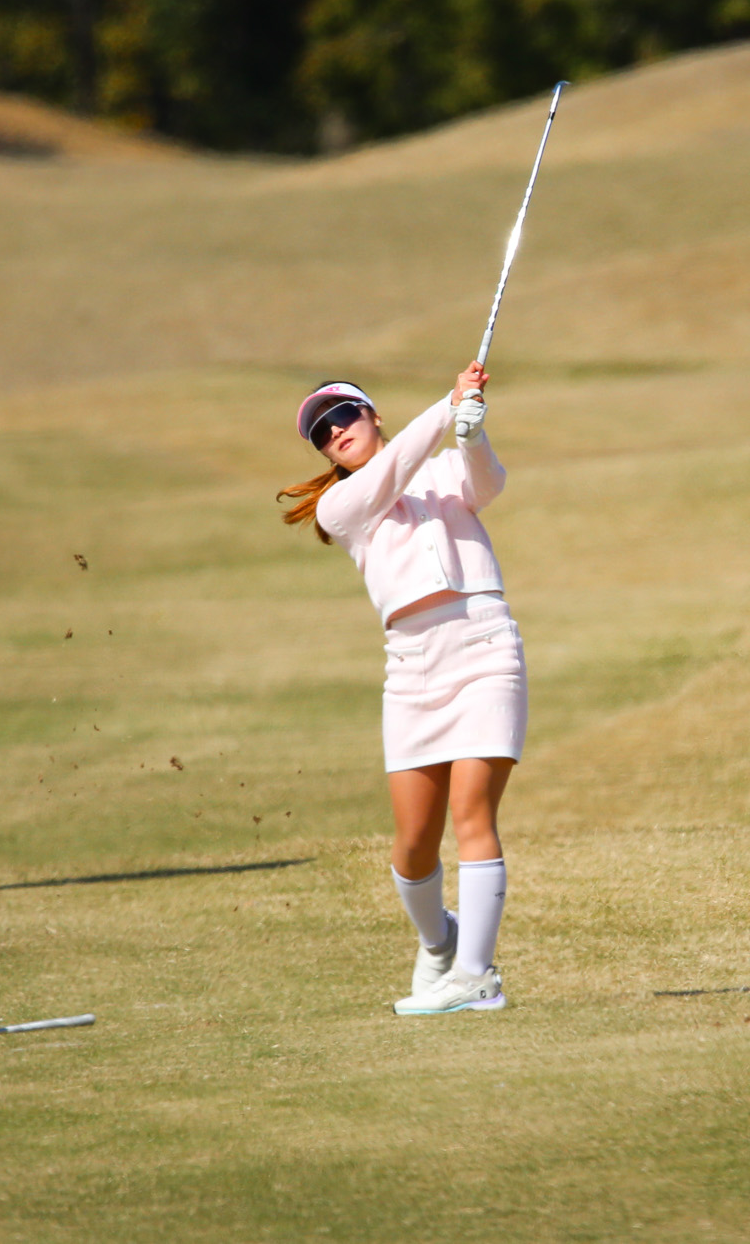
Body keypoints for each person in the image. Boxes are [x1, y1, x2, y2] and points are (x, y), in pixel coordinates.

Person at [278, 362, 521, 1014]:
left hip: (483, 643)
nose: (336, 434)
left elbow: (487, 484)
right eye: (322, 434)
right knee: (414, 844)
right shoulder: (341, 505)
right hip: (412, 668)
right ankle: (439, 940)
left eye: (344, 417)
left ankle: (476, 975)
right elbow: (392, 472)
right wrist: (447, 408)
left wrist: (471, 433)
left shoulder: (441, 469)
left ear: (373, 414)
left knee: (473, 812)